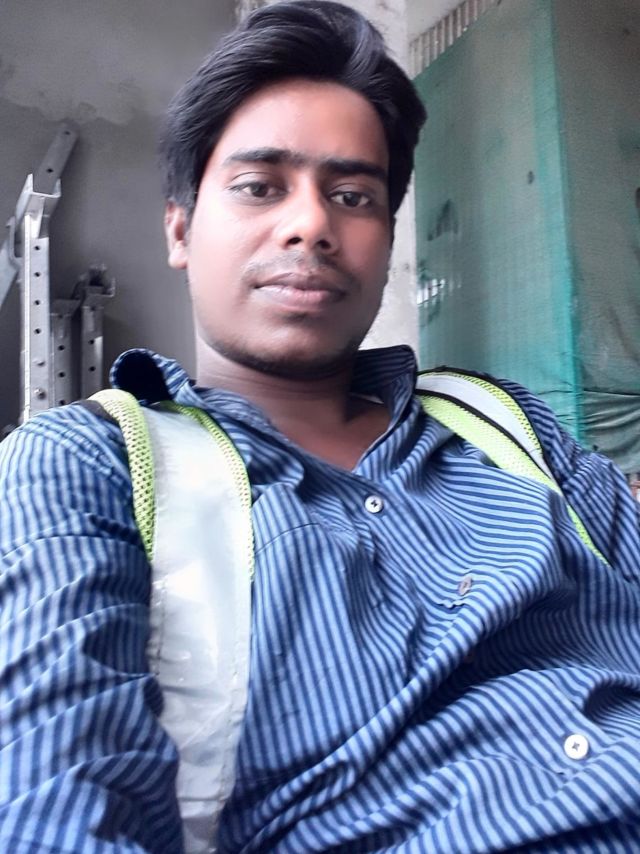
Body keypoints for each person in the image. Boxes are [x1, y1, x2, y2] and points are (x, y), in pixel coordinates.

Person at [1, 1, 640, 852]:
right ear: (181, 228)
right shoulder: (91, 466)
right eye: (259, 187)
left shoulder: (504, 424)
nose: (311, 224)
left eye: (352, 195)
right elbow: (60, 805)